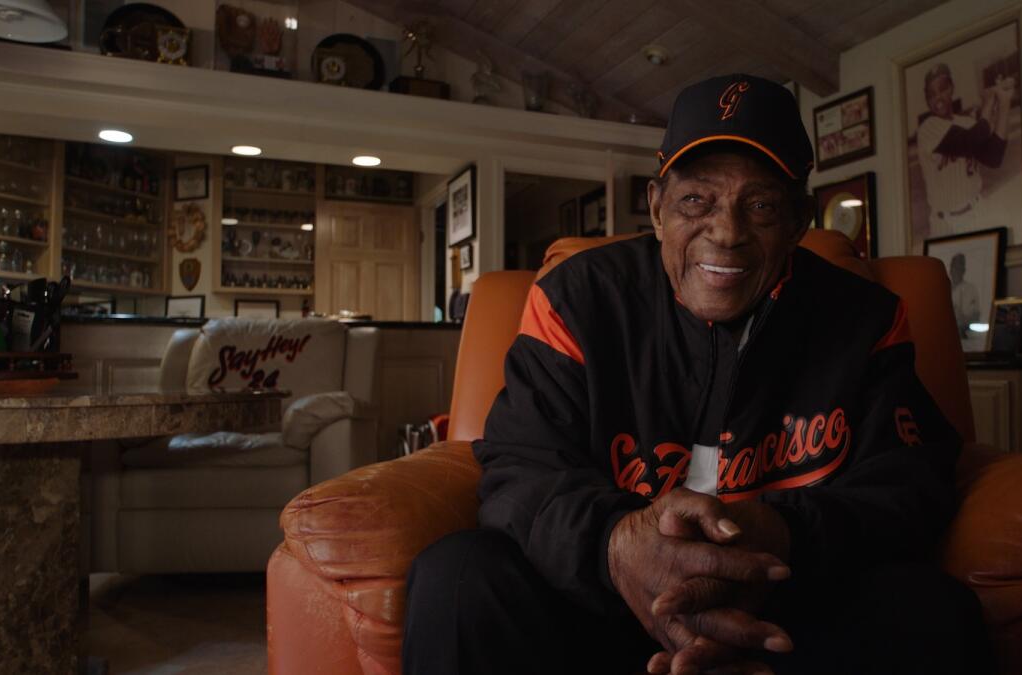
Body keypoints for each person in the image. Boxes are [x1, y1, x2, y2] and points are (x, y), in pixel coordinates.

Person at [403, 74, 992, 675]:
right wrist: (617, 543)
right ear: (658, 209)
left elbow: (910, 484)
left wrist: (784, 537)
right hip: (602, 602)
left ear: (797, 219)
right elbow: (519, 470)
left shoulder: (864, 318)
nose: (728, 232)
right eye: (696, 201)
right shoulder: (576, 300)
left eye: (759, 205)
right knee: (457, 576)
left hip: (789, 609)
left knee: (931, 610)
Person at [916, 63, 1015, 237]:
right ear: (927, 99)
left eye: (943, 89)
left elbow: (994, 157)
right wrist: (989, 102)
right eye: (931, 94)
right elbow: (967, 141)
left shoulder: (967, 124)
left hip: (977, 211)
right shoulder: (927, 129)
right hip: (944, 223)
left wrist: (1005, 103)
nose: (938, 97)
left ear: (952, 88)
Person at [949, 253, 981, 340]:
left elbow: (976, 316)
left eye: (959, 267)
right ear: (950, 269)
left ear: (963, 270)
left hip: (966, 336)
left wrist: (963, 320)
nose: (956, 270)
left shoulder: (971, 289)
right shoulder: (944, 289)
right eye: (954, 267)